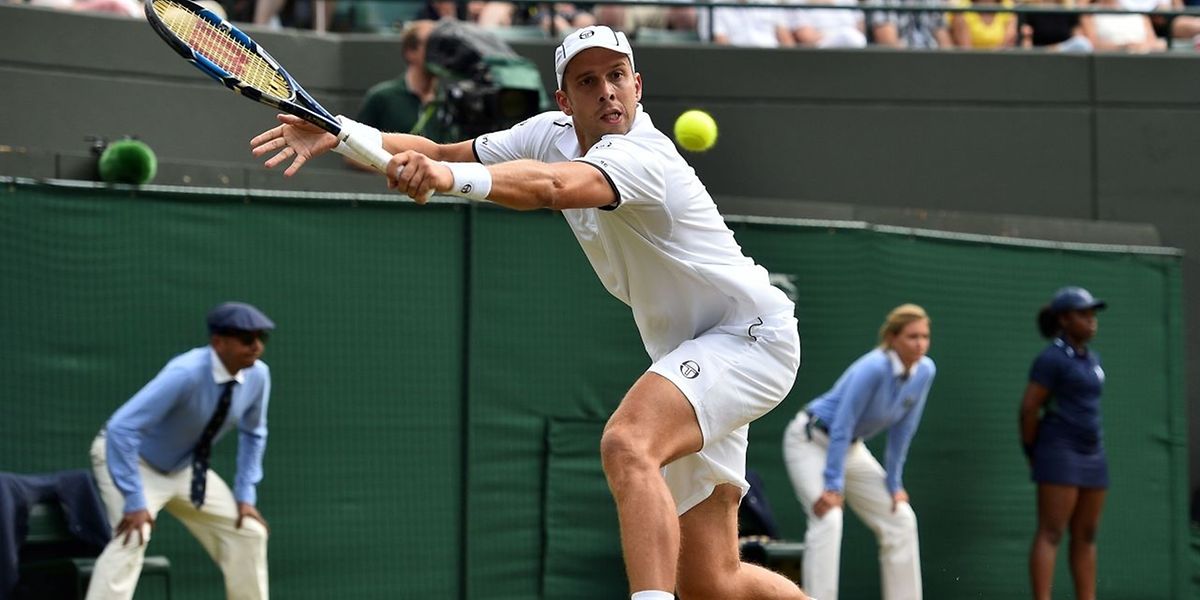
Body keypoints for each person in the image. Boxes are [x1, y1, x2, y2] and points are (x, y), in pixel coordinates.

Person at [251, 24, 809, 600]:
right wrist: (340, 135)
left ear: (638, 86)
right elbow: (440, 151)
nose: (607, 92)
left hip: (748, 337)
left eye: (617, 76)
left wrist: (446, 180)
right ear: (565, 101)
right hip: (697, 353)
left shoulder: (646, 156)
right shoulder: (550, 133)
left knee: (627, 443)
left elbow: (547, 185)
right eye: (588, 81)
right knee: (713, 581)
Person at [86, 302, 275, 600]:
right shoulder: (186, 373)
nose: (256, 347)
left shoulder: (259, 376)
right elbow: (122, 429)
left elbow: (254, 434)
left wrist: (245, 495)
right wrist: (135, 501)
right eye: (246, 339)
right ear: (218, 342)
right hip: (131, 461)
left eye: (262, 338)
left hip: (185, 469)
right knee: (133, 535)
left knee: (249, 531)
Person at [782, 304, 935, 600]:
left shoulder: (925, 370)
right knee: (828, 518)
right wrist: (833, 484)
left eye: (925, 336)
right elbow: (843, 424)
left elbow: (903, 430)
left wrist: (894, 483)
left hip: (851, 449)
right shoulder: (873, 367)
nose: (920, 344)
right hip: (810, 440)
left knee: (901, 518)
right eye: (912, 336)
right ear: (892, 338)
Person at [1020, 286, 1109, 600]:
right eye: (1083, 314)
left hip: (1093, 453)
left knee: (1086, 534)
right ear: (1064, 319)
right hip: (1060, 450)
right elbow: (1029, 408)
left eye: (1092, 313)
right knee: (1052, 531)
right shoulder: (1051, 359)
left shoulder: (1092, 358)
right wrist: (1032, 451)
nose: (1091, 320)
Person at [347, 19, 441, 171]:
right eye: (431, 45)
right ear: (410, 52)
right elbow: (352, 153)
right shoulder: (383, 97)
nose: (439, 52)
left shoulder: (449, 101)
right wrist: (396, 172)